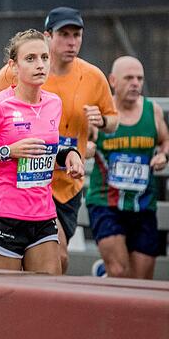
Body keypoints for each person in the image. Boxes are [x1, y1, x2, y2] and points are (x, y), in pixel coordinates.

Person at [0, 7, 118, 273]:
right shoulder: (25, 67)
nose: (71, 41)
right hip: (23, 184)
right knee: (57, 256)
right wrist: (13, 132)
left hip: (65, 181)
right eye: (64, 34)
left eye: (77, 35)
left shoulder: (92, 76)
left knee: (58, 262)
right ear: (48, 35)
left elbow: (113, 120)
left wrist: (96, 127)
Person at [0, 30, 84, 274]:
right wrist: (7, 151)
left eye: (45, 58)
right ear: (13, 66)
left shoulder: (53, 103)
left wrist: (68, 156)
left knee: (47, 300)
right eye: (31, 58)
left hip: (43, 215)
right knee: (6, 304)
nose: (40, 65)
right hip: (3, 215)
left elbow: (44, 153)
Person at [86, 56, 168, 279]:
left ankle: (103, 273)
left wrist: (163, 155)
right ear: (113, 80)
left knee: (141, 281)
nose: (135, 83)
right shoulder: (102, 114)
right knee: (120, 272)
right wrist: (88, 146)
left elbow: (165, 141)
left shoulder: (153, 111)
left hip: (143, 205)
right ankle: (108, 271)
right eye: (129, 78)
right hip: (106, 203)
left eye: (140, 78)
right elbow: (84, 140)